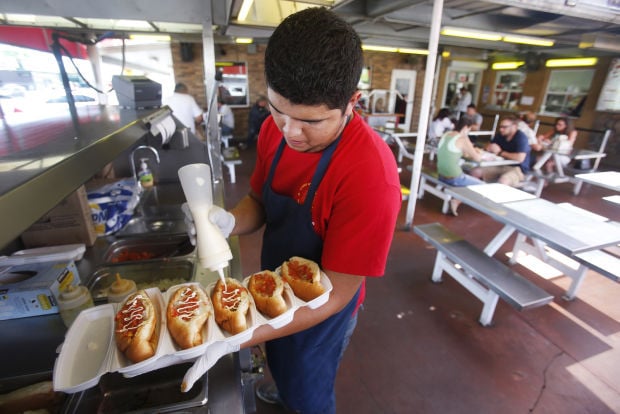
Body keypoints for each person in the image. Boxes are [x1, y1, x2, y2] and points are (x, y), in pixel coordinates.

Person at [186, 8, 401, 413]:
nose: (289, 132)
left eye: (310, 121)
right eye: (277, 109)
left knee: (308, 390)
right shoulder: (274, 129)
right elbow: (259, 203)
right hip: (272, 284)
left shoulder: (371, 175)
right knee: (278, 361)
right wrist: (230, 220)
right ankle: (282, 388)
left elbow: (337, 293)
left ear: (352, 102)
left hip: (323, 312)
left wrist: (238, 333)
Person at [436, 116, 484, 216]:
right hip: (454, 177)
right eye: (469, 129)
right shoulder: (462, 139)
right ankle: (457, 200)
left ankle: (457, 197)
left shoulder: (446, 134)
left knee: (468, 175)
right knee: (482, 186)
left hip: (440, 175)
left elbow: (457, 152)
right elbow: (477, 158)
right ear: (466, 127)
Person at [470, 115, 531, 187]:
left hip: (517, 169)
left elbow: (520, 158)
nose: (501, 129)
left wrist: (500, 152)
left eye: (504, 127)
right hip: (499, 165)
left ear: (514, 126)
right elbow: (488, 145)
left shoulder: (521, 138)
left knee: (503, 181)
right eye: (500, 127)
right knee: (475, 172)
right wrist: (489, 147)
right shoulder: (501, 135)